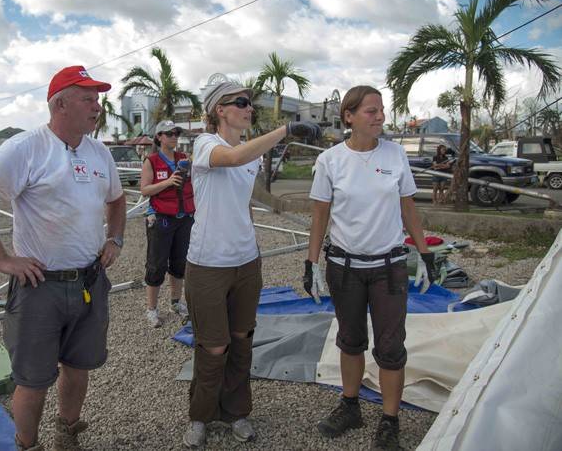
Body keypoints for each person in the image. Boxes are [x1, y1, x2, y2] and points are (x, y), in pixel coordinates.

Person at [0, 65, 127, 451]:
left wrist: (115, 238)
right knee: (32, 380)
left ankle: (67, 434)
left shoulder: (99, 152)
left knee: (79, 367)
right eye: (88, 98)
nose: (97, 106)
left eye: (98, 99)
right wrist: (3, 259)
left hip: (89, 281)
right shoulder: (24, 148)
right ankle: (27, 445)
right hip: (40, 287)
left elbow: (117, 200)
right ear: (60, 104)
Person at [182, 81, 321, 448]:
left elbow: (243, 198)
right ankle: (201, 415)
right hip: (208, 263)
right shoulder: (206, 145)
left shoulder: (252, 154)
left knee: (242, 340)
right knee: (213, 346)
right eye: (241, 103)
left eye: (250, 103)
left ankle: (236, 412)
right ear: (219, 111)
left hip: (246, 261)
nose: (248, 108)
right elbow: (232, 159)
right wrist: (285, 130)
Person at [303, 86, 436, 450]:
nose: (380, 117)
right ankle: (350, 406)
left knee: (391, 347)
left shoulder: (395, 155)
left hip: (389, 268)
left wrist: (425, 254)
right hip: (344, 267)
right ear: (349, 116)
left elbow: (408, 207)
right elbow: (320, 215)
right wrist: (312, 263)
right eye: (371, 111)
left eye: (381, 111)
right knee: (350, 340)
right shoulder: (330, 160)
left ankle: (390, 421)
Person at [140, 120, 194, 328]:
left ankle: (175, 303)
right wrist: (168, 182)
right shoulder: (151, 161)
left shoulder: (184, 159)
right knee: (156, 265)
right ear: (159, 137)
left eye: (176, 133)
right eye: (169, 133)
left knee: (180, 263)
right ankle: (151, 309)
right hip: (161, 218)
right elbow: (145, 190)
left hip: (184, 218)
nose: (174, 136)